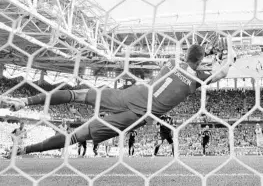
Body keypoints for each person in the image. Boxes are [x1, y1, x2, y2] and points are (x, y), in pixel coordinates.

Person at [1, 38, 236, 157]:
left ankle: (25, 101)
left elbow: (192, 62)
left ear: (186, 54)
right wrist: (230, 56)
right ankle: (24, 151)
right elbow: (222, 72)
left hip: (131, 94)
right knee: (76, 135)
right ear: (200, 61)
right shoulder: (197, 79)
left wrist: (209, 55)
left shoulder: (172, 63)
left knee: (78, 94)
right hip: (137, 114)